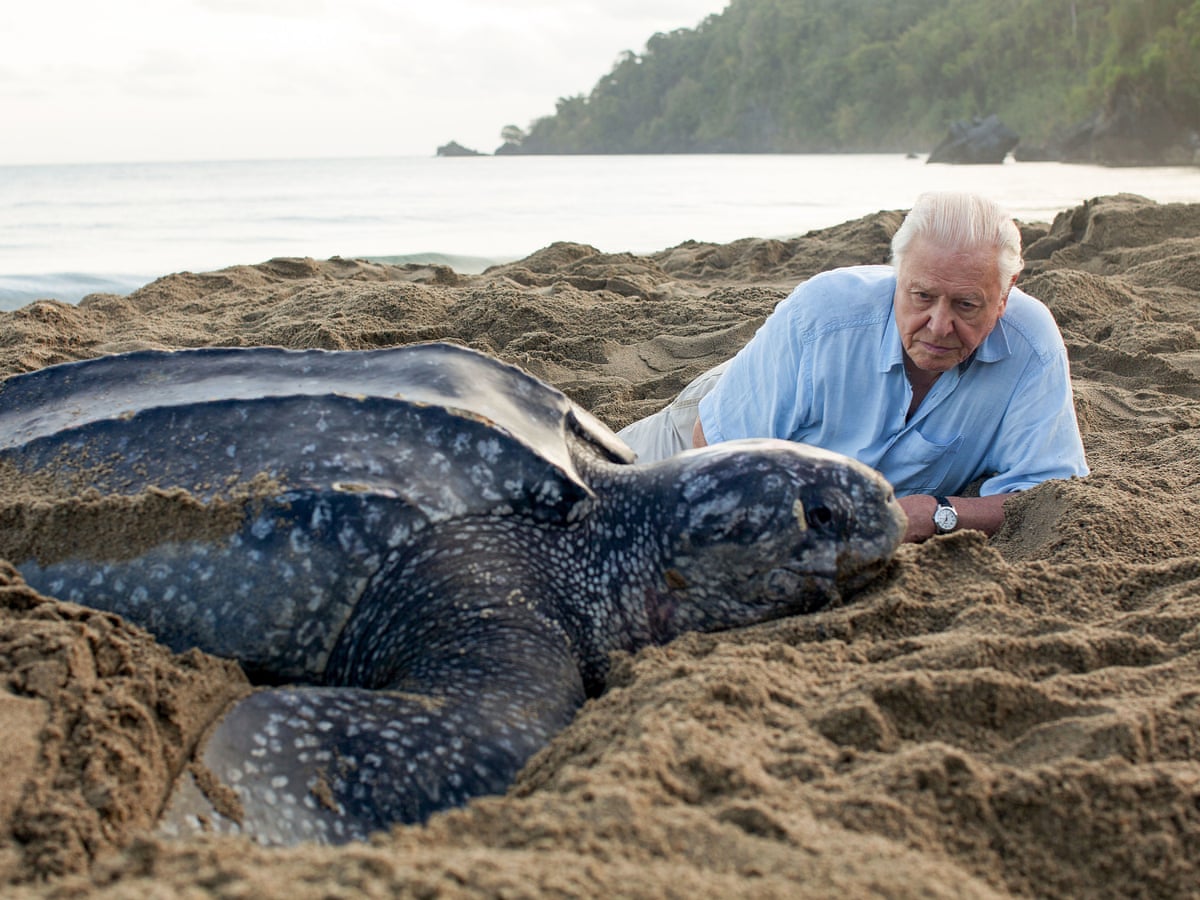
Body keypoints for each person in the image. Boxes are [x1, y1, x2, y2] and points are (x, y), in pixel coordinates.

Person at [618, 191, 1089, 542]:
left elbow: (1047, 496)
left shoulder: (1031, 345)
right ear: (896, 277)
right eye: (921, 296)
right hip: (727, 415)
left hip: (841, 481)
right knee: (588, 489)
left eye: (967, 305)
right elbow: (714, 450)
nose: (939, 325)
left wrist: (938, 512)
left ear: (1004, 297)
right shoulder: (823, 315)